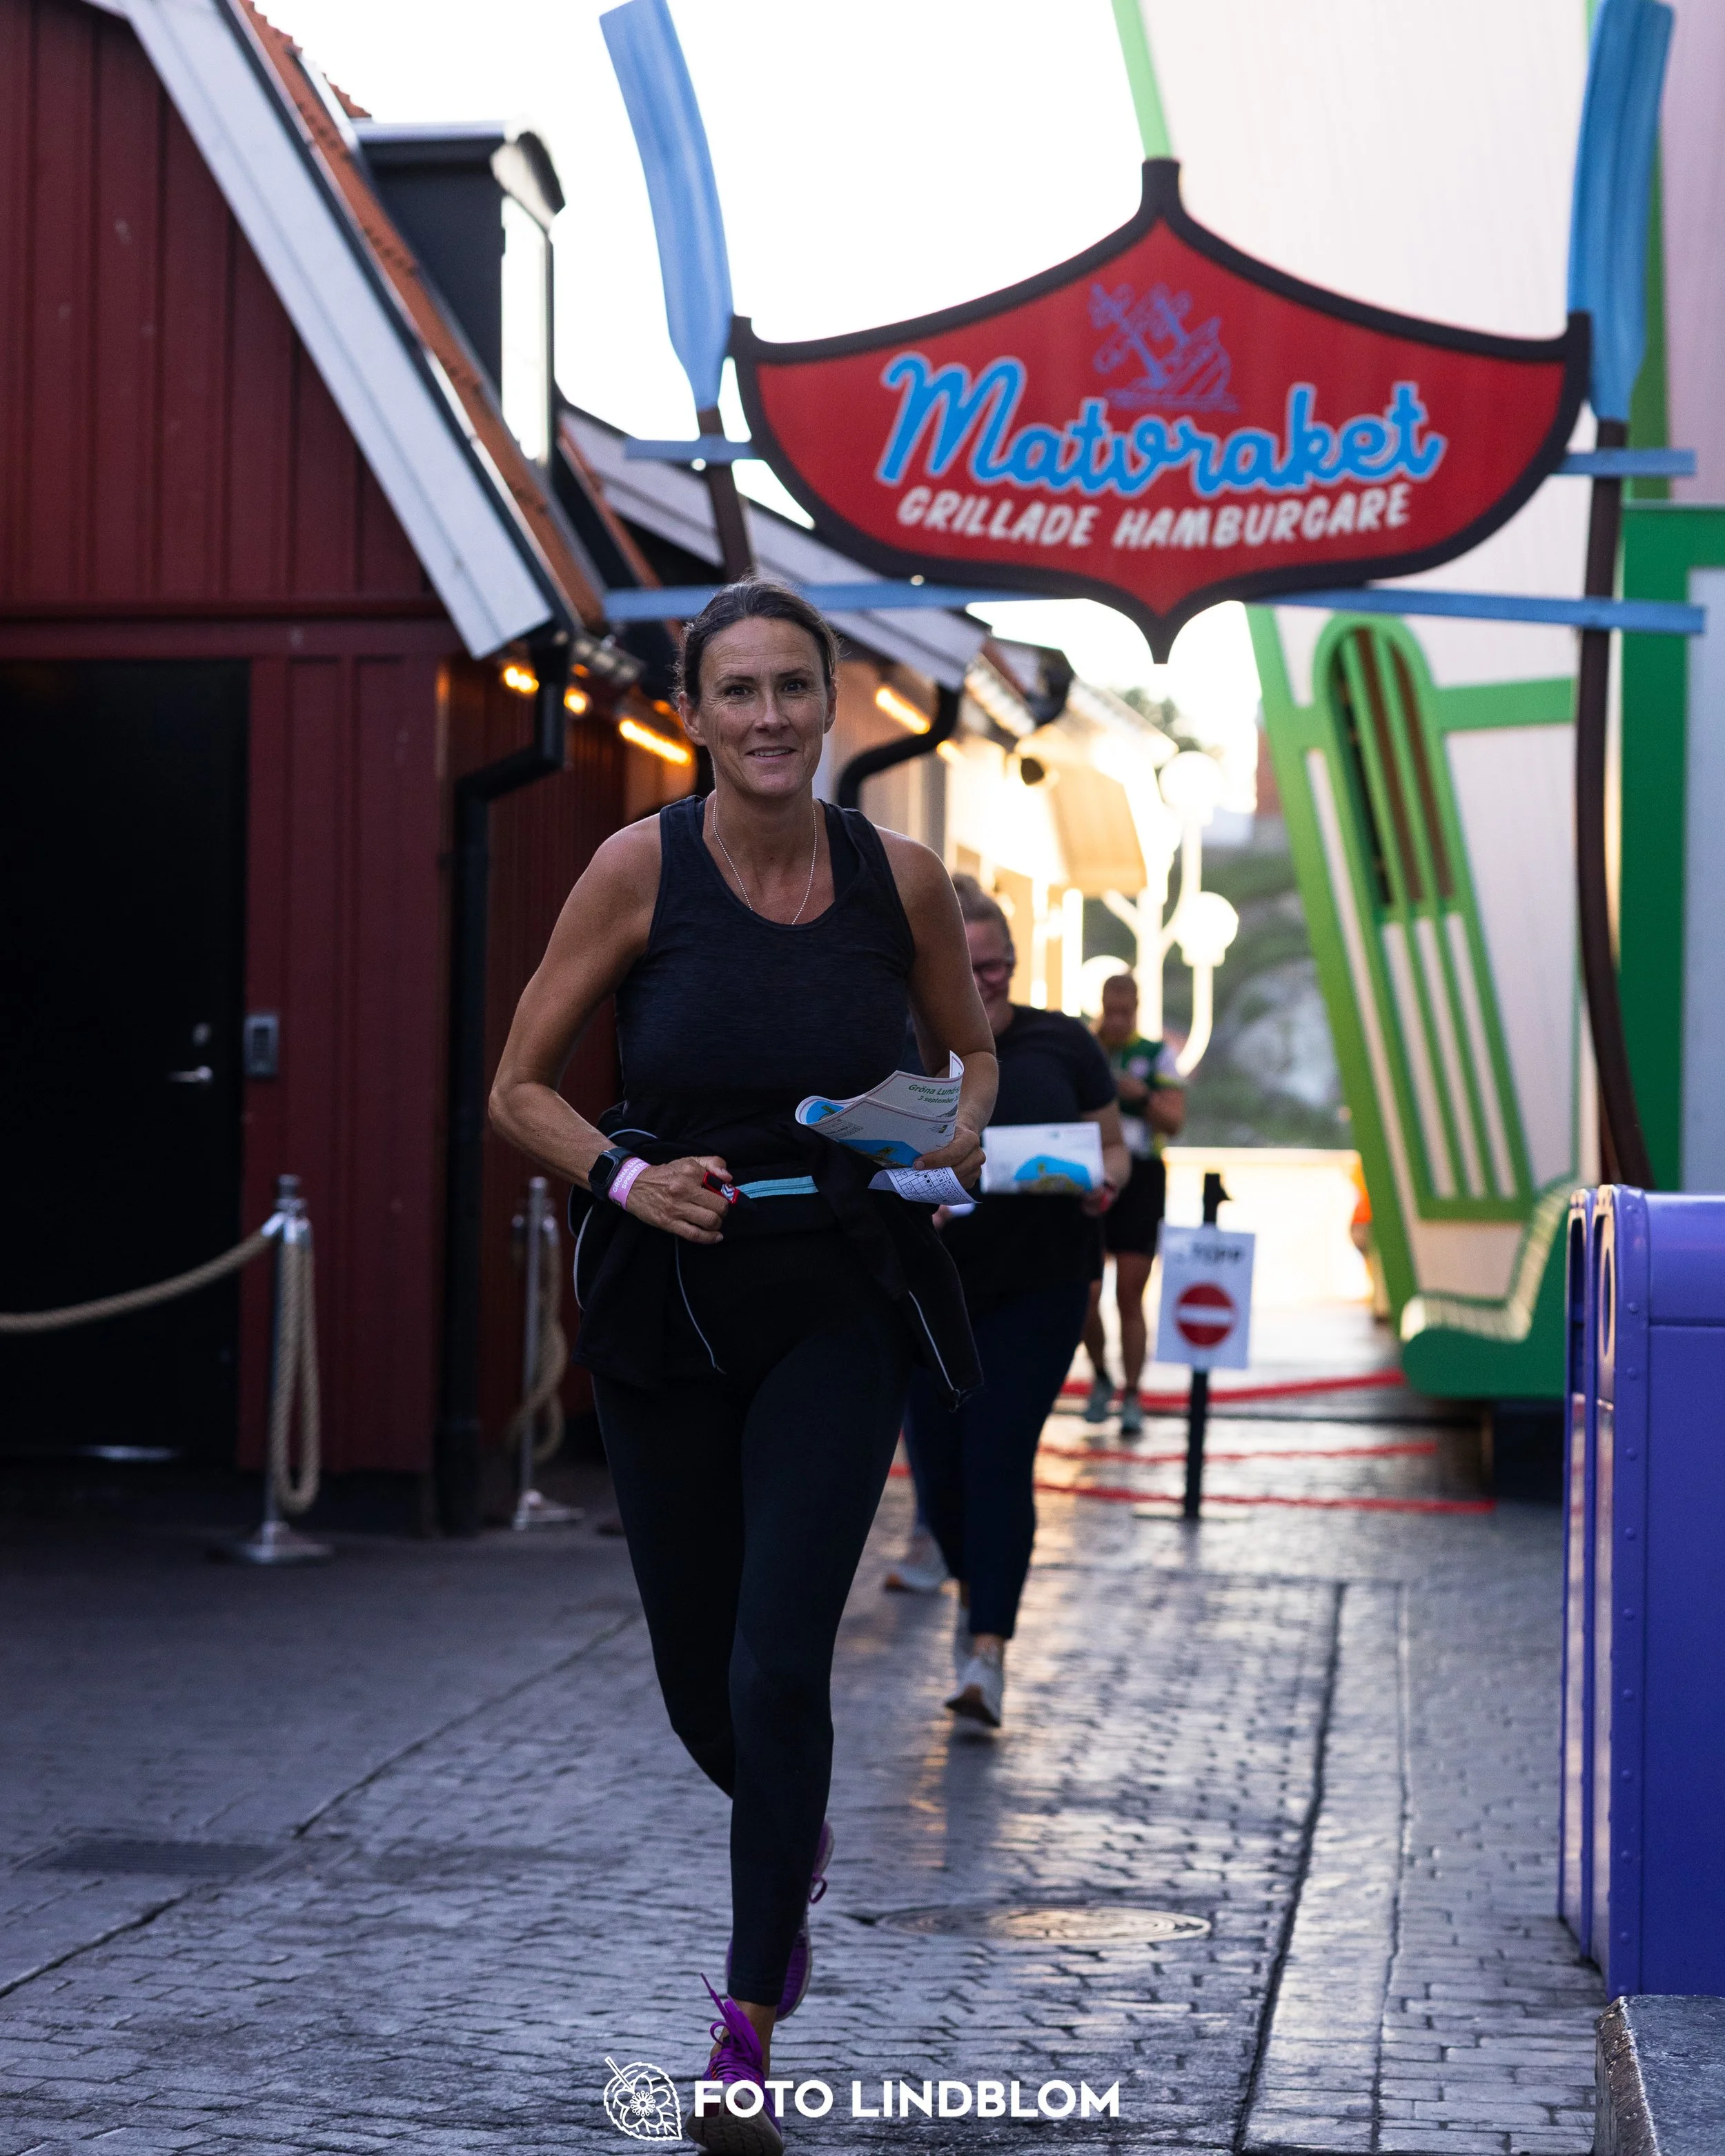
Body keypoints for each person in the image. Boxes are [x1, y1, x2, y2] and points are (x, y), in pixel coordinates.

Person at [489, 580, 997, 2154]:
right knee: (705, 1687)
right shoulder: (635, 869)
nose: (770, 716)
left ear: (830, 699)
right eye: (739, 692)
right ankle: (793, 1834)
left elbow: (967, 1055)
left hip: (833, 1301)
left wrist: (937, 1129)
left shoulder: (895, 878)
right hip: (667, 1313)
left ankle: (741, 2028)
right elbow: (520, 1088)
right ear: (696, 714)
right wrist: (632, 1179)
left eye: (794, 686)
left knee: (783, 1663)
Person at [902, 880, 1130, 1731]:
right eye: (969, 964)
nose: (986, 979)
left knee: (999, 1453)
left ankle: (987, 1648)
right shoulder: (906, 1045)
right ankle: (976, 1592)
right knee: (940, 1473)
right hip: (927, 1293)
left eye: (997, 963)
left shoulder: (1061, 1043)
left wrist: (1108, 1179)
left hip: (1042, 1285)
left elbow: (1112, 1143)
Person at [1081, 972, 1185, 1435]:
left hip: (1141, 1175)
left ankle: (1134, 1392)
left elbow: (1176, 1120)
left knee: (1130, 1292)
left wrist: (1140, 1095)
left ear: (1138, 1008)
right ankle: (1101, 1374)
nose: (1118, 1020)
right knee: (1086, 1291)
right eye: (1111, 1009)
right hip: (1092, 1169)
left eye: (1126, 1011)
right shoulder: (1084, 1048)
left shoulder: (1154, 1054)